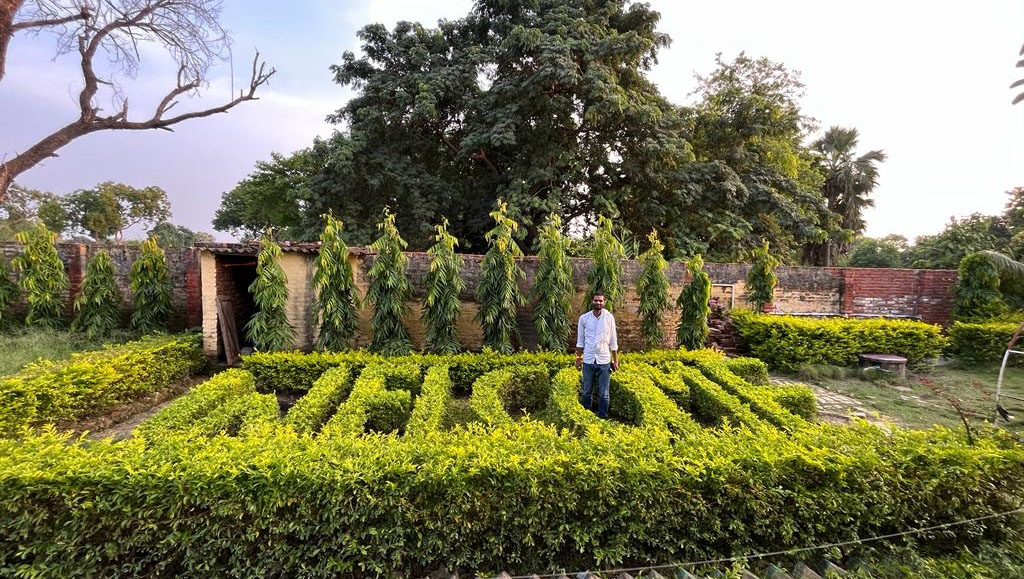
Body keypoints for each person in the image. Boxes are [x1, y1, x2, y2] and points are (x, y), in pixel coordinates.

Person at [575, 290, 619, 418]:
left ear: (604, 302)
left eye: (600, 300)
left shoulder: (609, 318)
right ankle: (586, 416)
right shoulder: (584, 318)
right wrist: (578, 359)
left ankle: (602, 416)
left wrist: (615, 361)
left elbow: (613, 341)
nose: (598, 302)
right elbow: (580, 341)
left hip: (604, 361)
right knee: (587, 391)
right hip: (588, 361)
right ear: (592, 302)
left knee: (604, 393)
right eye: (596, 300)